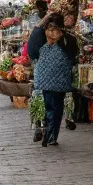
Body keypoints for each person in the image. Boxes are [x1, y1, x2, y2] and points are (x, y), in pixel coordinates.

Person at [27, 13, 79, 147]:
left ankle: (44, 129)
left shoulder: (40, 37)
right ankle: (51, 135)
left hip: (43, 80)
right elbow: (74, 58)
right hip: (60, 81)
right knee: (56, 108)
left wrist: (46, 17)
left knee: (46, 106)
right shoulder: (69, 39)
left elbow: (31, 53)